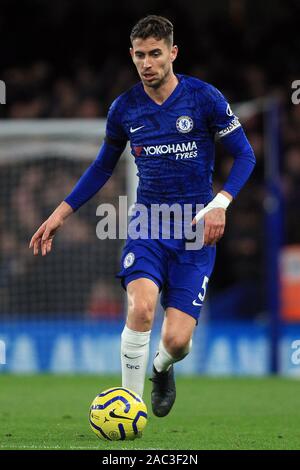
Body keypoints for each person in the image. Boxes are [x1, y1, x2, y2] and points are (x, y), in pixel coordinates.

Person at [30, 15, 256, 417]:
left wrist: (220, 202)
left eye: (155, 54)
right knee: (140, 309)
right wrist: (61, 213)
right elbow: (102, 167)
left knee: (177, 342)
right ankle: (128, 410)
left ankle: (160, 369)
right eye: (139, 55)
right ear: (131, 56)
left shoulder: (204, 98)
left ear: (173, 53)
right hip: (147, 224)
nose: (147, 63)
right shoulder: (124, 108)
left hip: (194, 230)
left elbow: (245, 154)